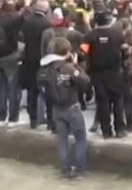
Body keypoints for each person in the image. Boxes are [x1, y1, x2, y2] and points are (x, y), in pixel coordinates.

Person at [38, 37, 90, 180]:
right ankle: (79, 170)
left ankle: (64, 170)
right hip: (71, 107)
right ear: (67, 52)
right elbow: (85, 80)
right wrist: (76, 65)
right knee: (80, 137)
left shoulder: (45, 67)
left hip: (56, 108)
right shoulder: (67, 67)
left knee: (62, 139)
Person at [83, 10, 127, 138]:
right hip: (115, 71)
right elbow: (126, 51)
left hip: (97, 73)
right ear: (108, 21)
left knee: (103, 102)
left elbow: (82, 53)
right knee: (118, 100)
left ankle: (106, 130)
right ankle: (120, 129)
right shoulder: (118, 35)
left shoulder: (90, 36)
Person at [21, 0, 52, 129]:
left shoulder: (27, 22)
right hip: (43, 60)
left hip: (29, 59)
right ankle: (48, 119)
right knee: (46, 90)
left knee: (32, 90)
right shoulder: (47, 24)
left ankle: (33, 118)